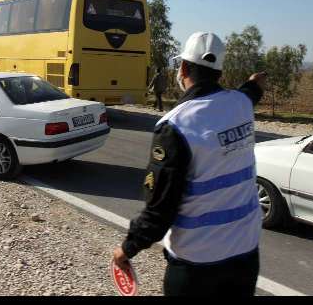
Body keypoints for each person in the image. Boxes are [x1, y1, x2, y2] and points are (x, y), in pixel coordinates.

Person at [111, 31, 267, 297]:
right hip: (245, 255)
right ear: (218, 72)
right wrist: (255, 82)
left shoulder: (175, 126)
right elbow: (250, 92)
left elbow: (160, 210)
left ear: (183, 67)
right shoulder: (241, 104)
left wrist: (127, 249)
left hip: (197, 266)